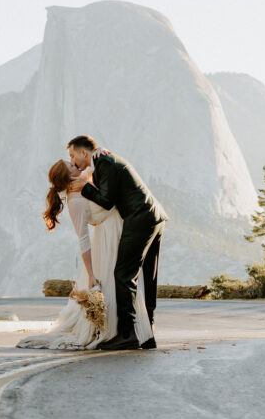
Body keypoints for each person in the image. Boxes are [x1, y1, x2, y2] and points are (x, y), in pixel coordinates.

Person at [17, 159, 152, 350]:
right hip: (107, 239)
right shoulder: (75, 200)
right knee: (116, 282)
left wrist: (99, 152)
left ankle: (128, 332)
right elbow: (83, 238)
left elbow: (92, 166)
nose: (75, 164)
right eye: (71, 165)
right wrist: (90, 274)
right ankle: (118, 332)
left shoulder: (82, 183)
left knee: (125, 280)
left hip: (118, 230)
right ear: (68, 176)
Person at [68, 135, 168, 351]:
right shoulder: (104, 160)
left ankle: (127, 334)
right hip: (154, 216)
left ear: (83, 153)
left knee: (124, 275)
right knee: (147, 276)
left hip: (140, 218)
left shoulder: (104, 163)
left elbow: (106, 200)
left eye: (72, 155)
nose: (72, 161)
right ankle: (147, 334)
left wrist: (84, 187)